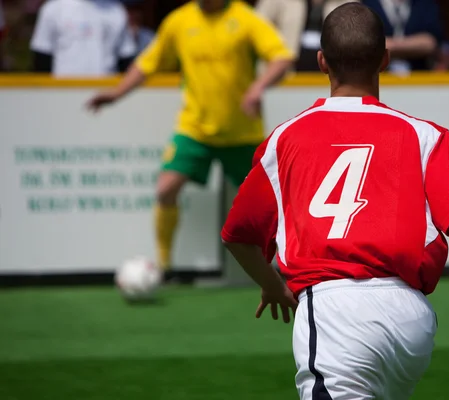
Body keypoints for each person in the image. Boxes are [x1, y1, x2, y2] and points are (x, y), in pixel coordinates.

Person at [221, 3, 449, 399]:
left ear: (322, 62)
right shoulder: (424, 136)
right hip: (410, 320)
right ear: (385, 59)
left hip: (334, 311)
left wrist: (273, 286)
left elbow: (237, 235)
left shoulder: (284, 139)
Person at [87, 0, 293, 277]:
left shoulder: (245, 18)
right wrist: (115, 93)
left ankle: (289, 263)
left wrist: (258, 87)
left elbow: (282, 58)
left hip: (242, 132)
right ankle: (164, 266)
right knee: (165, 189)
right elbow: (148, 63)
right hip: (195, 130)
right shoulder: (179, 21)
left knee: (272, 203)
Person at [30, 0, 136, 76]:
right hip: (62, 91)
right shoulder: (53, 8)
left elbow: (125, 59)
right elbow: (42, 58)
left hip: (105, 91)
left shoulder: (116, 10)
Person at [255, 0, 357, 71]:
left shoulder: (349, 3)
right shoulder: (273, 2)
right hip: (283, 81)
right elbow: (256, 33)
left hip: (331, 81)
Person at [362, 0, 443, 73]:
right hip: (379, 79)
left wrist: (388, 45)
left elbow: (431, 43)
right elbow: (366, 44)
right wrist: (413, 45)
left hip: (418, 79)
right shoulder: (367, 5)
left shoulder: (424, 4)